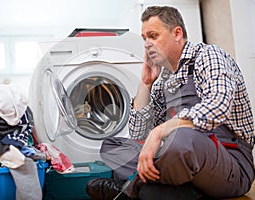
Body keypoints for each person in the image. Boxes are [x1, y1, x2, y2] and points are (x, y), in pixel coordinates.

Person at [86, 5, 255, 200]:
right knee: (112, 146)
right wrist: (146, 83)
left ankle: (132, 190)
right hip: (178, 159)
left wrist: (160, 131)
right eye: (144, 39)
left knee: (182, 139)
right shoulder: (162, 79)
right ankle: (171, 191)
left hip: (228, 161)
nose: (147, 44)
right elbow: (139, 134)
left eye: (153, 36)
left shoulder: (208, 55)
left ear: (176, 33)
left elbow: (218, 106)